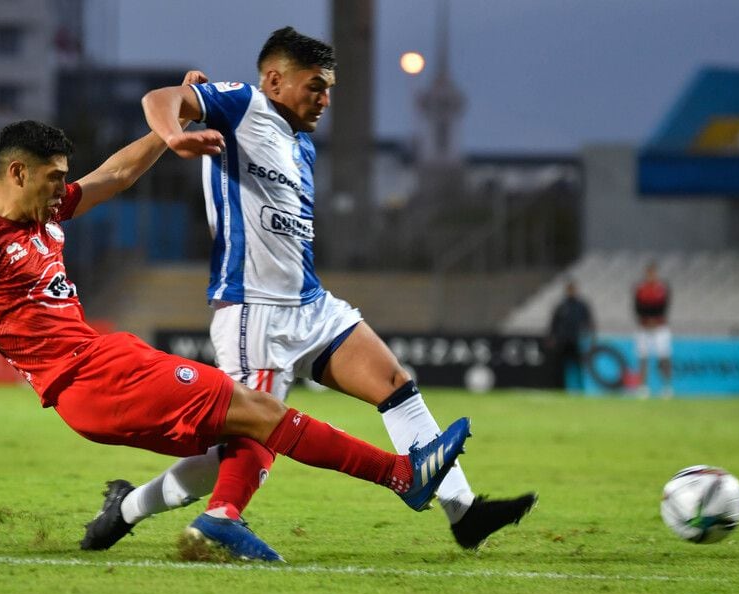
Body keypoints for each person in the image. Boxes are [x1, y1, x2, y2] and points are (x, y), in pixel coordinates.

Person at [0, 92, 472, 563]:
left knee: (238, 432)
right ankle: (402, 476)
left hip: (107, 363)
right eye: (54, 177)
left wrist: (169, 135)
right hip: (91, 381)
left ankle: (132, 510)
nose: (63, 189)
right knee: (256, 408)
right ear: (18, 173)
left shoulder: (45, 211)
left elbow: (116, 175)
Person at [134, 26, 536, 551]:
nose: (325, 100)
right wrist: (174, 134)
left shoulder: (300, 142)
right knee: (250, 440)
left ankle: (463, 513)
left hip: (311, 305)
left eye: (329, 89)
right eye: (315, 86)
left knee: (394, 381)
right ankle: (147, 510)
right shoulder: (244, 103)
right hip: (256, 309)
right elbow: (160, 97)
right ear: (275, 80)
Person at [633, 261, 672, 398]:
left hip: (660, 326)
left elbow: (664, 307)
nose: (651, 275)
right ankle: (643, 387)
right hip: (644, 327)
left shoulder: (662, 288)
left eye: (653, 273)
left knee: (663, 357)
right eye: (649, 273)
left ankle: (667, 387)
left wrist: (655, 320)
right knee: (643, 357)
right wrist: (647, 320)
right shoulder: (640, 289)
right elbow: (637, 307)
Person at [546, 279, 595, 390]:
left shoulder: (581, 306)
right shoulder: (561, 306)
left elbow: (589, 322)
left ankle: (581, 388)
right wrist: (551, 337)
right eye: (569, 289)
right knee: (560, 367)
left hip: (576, 340)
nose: (571, 291)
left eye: (572, 289)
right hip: (562, 341)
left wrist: (590, 336)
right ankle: (560, 389)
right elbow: (553, 323)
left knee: (579, 366)